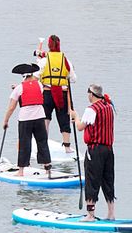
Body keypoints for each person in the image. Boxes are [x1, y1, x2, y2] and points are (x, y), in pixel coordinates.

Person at [2, 64, 53, 169]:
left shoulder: (18, 89)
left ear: (23, 76)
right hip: (40, 117)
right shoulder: (39, 85)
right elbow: (31, 87)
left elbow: (11, 107)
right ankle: (47, 167)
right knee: (42, 141)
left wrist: (6, 121)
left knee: (24, 143)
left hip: (25, 119)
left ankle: (21, 170)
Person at [79, 83, 116, 220]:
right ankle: (111, 213)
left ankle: (90, 214)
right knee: (108, 180)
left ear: (91, 94)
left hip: (95, 150)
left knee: (92, 180)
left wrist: (75, 116)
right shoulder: (109, 107)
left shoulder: (91, 109)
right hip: (109, 150)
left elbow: (80, 127)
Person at [39, 35, 75, 153]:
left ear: (49, 46)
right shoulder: (65, 60)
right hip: (62, 94)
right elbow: (73, 78)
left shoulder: (44, 60)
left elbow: (37, 75)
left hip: (48, 93)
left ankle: (44, 144)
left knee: (45, 119)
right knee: (64, 118)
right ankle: (67, 147)